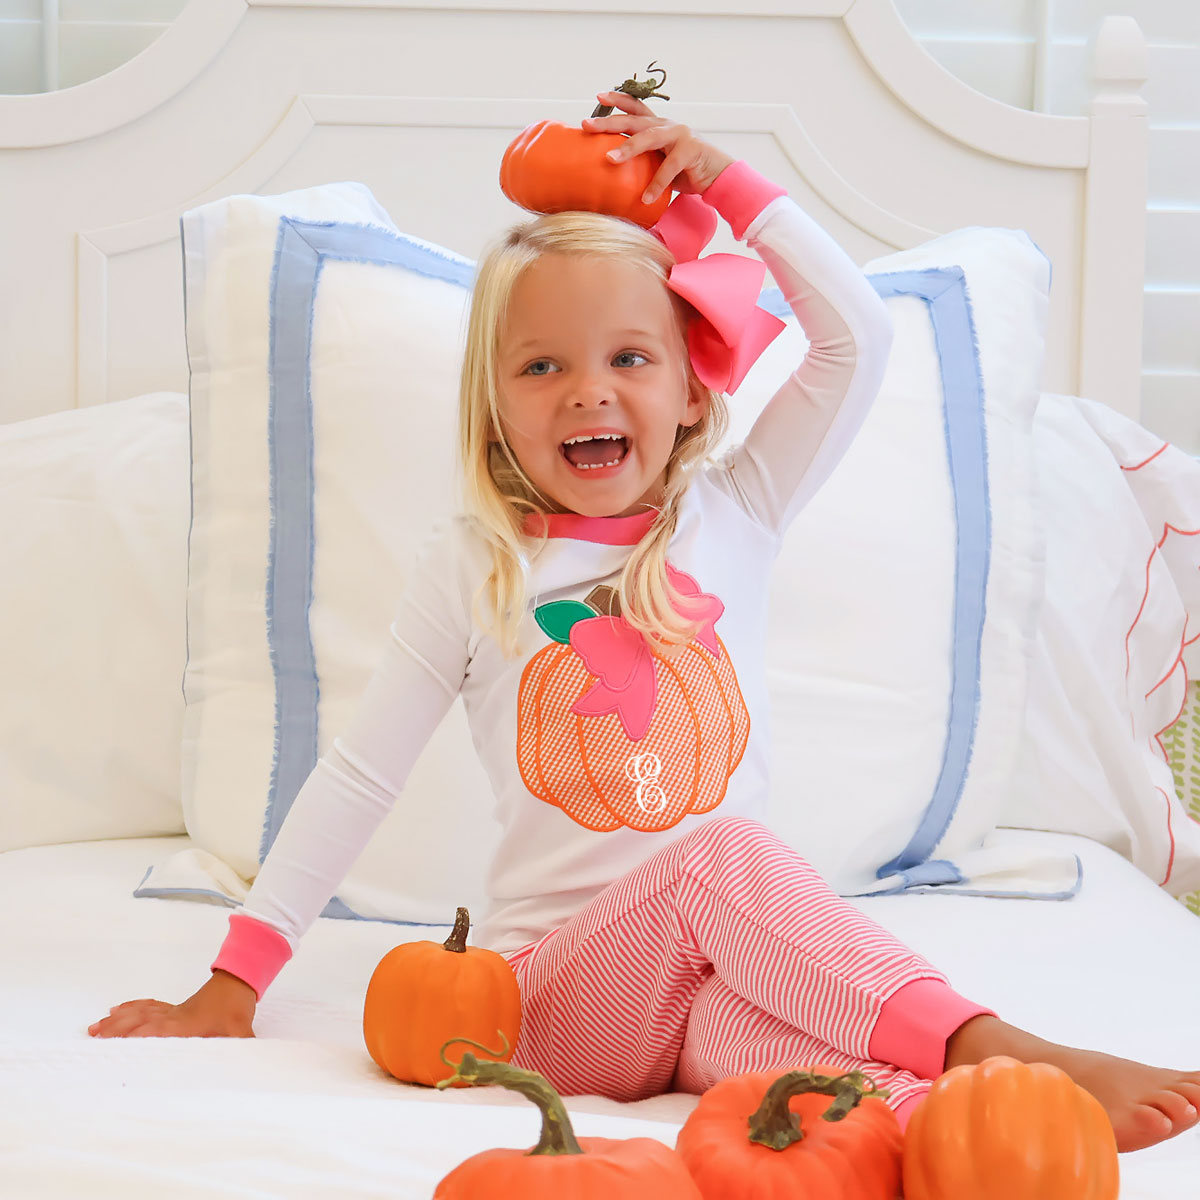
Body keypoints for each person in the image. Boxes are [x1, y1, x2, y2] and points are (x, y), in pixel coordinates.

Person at [89, 91, 1200, 1153]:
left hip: (707, 991)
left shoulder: (740, 511)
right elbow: (359, 778)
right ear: (494, 407)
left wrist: (725, 177)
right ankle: (1002, 1045)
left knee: (816, 1083)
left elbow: (854, 336)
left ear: (689, 392)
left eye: (629, 358)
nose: (588, 391)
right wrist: (232, 984)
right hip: (560, 1001)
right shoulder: (479, 565)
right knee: (728, 858)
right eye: (541, 366)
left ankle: (986, 1116)